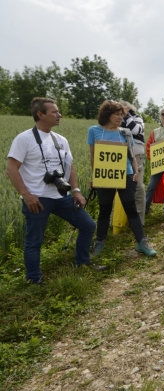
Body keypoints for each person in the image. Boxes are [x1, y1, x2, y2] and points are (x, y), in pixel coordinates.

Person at [6, 97, 102, 284]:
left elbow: (70, 166)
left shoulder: (60, 139)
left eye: (58, 111)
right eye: (54, 112)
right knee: (34, 241)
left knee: (88, 225)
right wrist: (27, 195)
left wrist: (75, 191)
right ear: (40, 114)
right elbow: (11, 168)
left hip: (61, 196)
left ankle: (82, 263)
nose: (59, 115)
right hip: (38, 199)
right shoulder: (24, 139)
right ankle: (34, 279)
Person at [88, 100, 156, 257]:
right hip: (105, 176)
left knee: (130, 207)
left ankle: (141, 242)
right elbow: (93, 156)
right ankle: (100, 242)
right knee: (104, 208)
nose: (120, 118)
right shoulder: (94, 131)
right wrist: (95, 177)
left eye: (121, 115)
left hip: (126, 175)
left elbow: (131, 154)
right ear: (107, 115)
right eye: (117, 114)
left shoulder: (125, 132)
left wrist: (135, 173)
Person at [120, 100, 147, 224]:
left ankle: (139, 221)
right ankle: (118, 220)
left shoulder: (137, 118)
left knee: (138, 187)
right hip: (119, 154)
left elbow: (136, 130)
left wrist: (126, 116)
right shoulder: (114, 119)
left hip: (136, 154)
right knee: (118, 186)